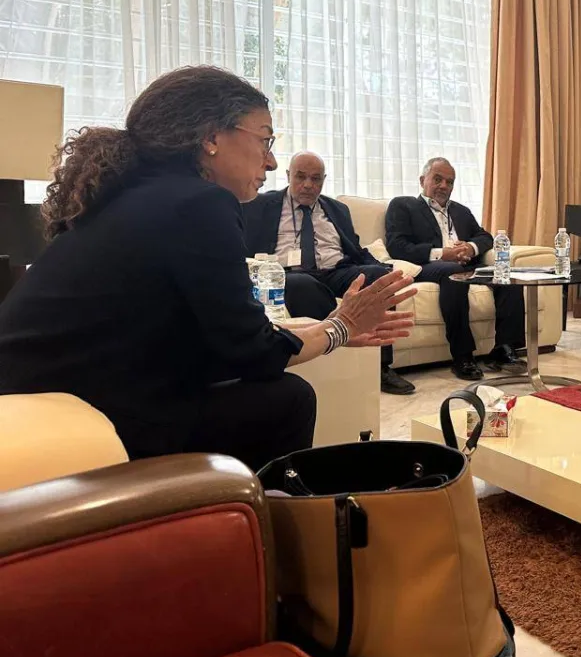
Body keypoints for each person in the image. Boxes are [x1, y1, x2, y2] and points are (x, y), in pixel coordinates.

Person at [0, 66, 416, 472]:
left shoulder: (136, 196)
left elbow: (218, 339)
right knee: (286, 399)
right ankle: (252, 519)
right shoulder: (198, 203)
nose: (271, 162)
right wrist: (339, 327)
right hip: (82, 410)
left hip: (42, 392)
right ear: (212, 137)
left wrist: (324, 330)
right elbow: (252, 353)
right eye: (265, 139)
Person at [242, 151, 416, 396]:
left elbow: (355, 248)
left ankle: (381, 366)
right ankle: (332, 355)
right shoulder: (262, 204)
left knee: (379, 278)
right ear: (288, 175)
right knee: (302, 284)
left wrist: (383, 269)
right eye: (301, 177)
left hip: (336, 271)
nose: (308, 185)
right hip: (289, 273)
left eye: (315, 179)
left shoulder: (337, 209)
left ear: (323, 180)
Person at [384, 157, 526, 382]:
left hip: (466, 264)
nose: (444, 186)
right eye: (437, 179)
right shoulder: (403, 206)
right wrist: (442, 253)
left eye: (449, 182)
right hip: (427, 266)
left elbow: (484, 236)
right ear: (422, 180)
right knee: (453, 272)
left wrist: (470, 247)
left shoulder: (461, 211)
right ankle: (463, 356)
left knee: (505, 275)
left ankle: (504, 348)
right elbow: (398, 246)